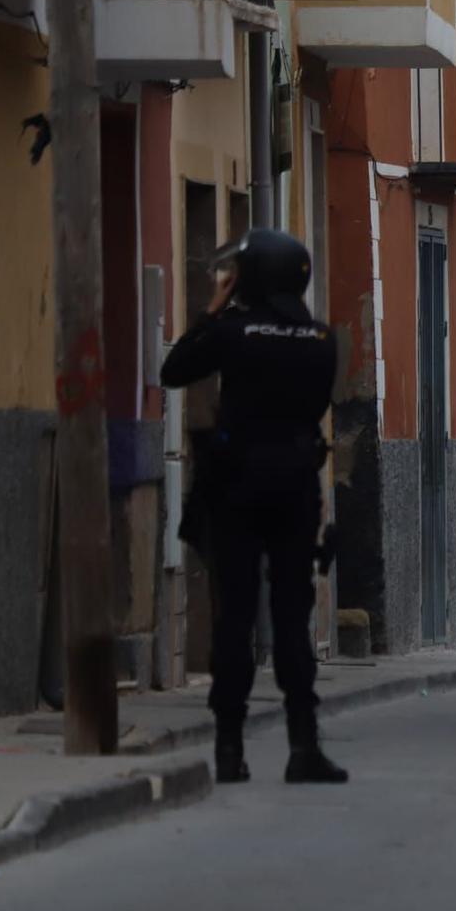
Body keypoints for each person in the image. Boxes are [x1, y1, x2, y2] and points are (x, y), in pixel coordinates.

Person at [161, 229, 345, 785]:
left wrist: (212, 310)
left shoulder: (235, 332)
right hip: (296, 487)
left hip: (237, 485)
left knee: (234, 618)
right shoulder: (321, 339)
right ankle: (303, 745)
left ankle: (228, 748)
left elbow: (175, 370)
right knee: (293, 619)